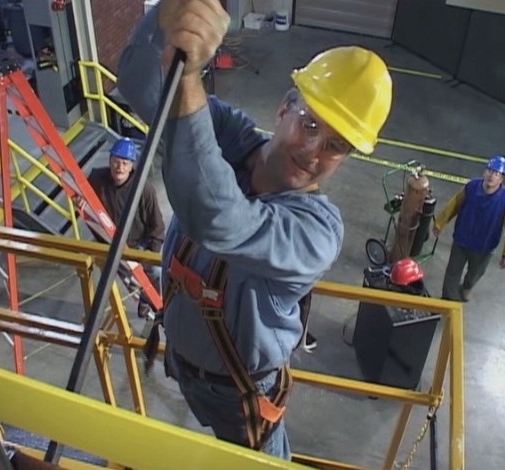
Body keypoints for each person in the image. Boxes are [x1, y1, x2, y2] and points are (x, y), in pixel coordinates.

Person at [117, 0, 392, 459]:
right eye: (309, 124)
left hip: (239, 394)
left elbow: (215, 215)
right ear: (285, 107)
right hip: (182, 365)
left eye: (335, 146)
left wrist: (186, 80)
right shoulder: (228, 133)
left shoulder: (316, 232)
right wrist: (167, 18)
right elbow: (138, 84)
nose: (311, 151)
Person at [87, 137, 165, 317]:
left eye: (124, 163)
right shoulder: (97, 179)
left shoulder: (143, 190)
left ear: (131, 166)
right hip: (110, 242)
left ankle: (146, 300)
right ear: (110, 161)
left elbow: (157, 227)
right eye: (116, 162)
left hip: (138, 244)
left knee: (156, 272)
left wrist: (147, 257)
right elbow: (81, 191)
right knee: (103, 274)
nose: (119, 167)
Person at [433, 155, 505, 302]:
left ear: (502, 179)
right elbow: (454, 205)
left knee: (474, 274)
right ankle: (448, 301)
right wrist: (440, 223)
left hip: (483, 247)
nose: (491, 176)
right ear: (484, 172)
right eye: (490, 171)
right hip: (461, 241)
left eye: (496, 173)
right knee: (452, 273)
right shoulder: (471, 187)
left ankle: (466, 288)